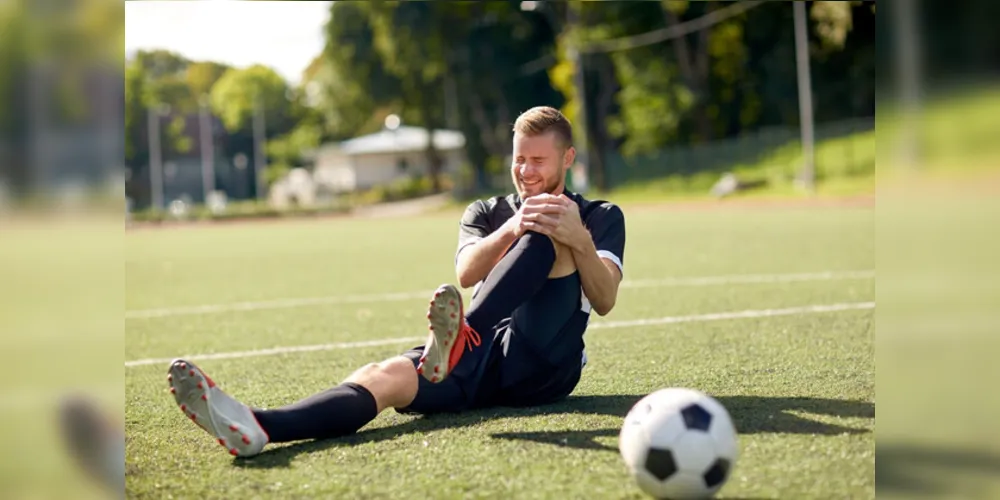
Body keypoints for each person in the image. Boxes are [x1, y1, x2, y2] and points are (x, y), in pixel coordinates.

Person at [167, 106, 627, 457]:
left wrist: (579, 240)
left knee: (553, 233)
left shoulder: (601, 216)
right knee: (384, 376)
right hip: (479, 355)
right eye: (519, 160)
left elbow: (604, 300)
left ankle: (458, 340)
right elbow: (467, 272)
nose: (526, 171)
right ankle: (259, 426)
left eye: (538, 161)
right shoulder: (485, 212)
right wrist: (512, 227)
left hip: (543, 362)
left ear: (567, 157)